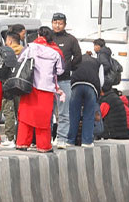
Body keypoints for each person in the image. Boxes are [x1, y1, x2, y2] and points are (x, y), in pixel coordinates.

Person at [14, 27, 65, 152]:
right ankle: (43, 146)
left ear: (38, 35)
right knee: (44, 119)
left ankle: (22, 143)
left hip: (30, 86)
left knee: (25, 116)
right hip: (47, 88)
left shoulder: (30, 47)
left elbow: (19, 60)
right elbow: (60, 70)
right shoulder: (55, 52)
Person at [50, 13, 81, 148]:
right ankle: (46, 139)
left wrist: (68, 67)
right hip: (47, 81)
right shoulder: (47, 38)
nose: (57, 25)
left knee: (63, 113)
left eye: (60, 23)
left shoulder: (71, 40)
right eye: (55, 22)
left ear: (65, 25)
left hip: (64, 81)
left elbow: (78, 57)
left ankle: (62, 139)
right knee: (47, 112)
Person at [66, 48, 104, 147]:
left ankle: (70, 140)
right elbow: (101, 81)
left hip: (76, 85)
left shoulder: (76, 60)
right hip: (91, 87)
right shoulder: (98, 62)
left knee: (73, 114)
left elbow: (70, 74)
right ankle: (86, 141)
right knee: (89, 114)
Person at [0, 28, 25, 148]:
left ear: (9, 41)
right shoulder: (25, 52)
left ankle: (10, 138)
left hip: (8, 85)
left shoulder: (6, 52)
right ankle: (21, 137)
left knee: (8, 112)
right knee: (21, 113)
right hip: (21, 86)